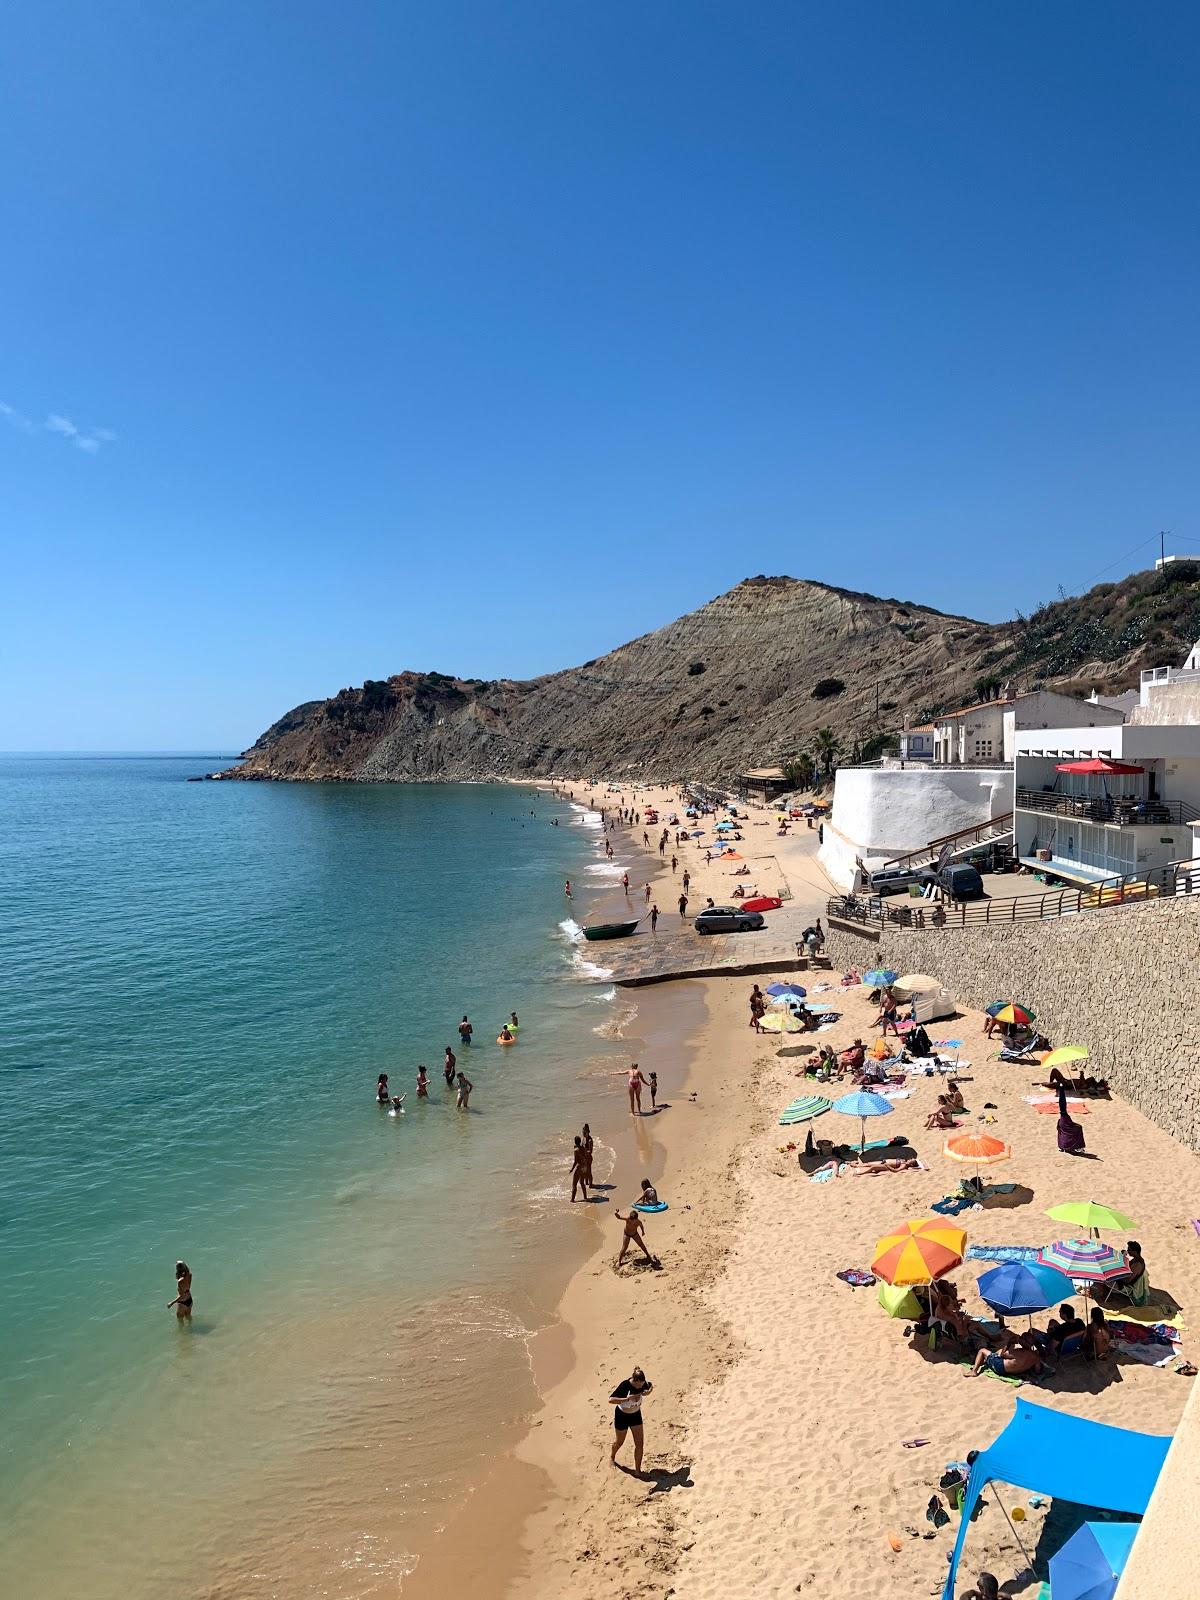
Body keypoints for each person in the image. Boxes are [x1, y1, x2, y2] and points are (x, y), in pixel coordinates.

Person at [608, 1367, 653, 1472]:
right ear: (635, 1380)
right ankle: (612, 1457)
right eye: (640, 1384)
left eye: (643, 1384)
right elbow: (611, 1400)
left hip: (636, 1415)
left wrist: (647, 1392)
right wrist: (627, 1399)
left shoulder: (642, 1383)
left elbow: (648, 1387)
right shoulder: (625, 1386)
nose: (642, 1386)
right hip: (622, 1416)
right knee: (619, 1442)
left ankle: (638, 1471)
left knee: (639, 1444)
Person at [967, 1332, 1041, 1379]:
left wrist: (1009, 1343)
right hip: (1016, 1371)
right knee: (999, 1351)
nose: (1019, 1339)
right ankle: (984, 1360)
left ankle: (974, 1371)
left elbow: (1002, 1355)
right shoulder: (1035, 1355)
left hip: (1000, 1368)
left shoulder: (1019, 1352)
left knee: (982, 1350)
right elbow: (1037, 1370)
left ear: (1025, 1342)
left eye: (1021, 1337)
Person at [1056, 1081, 1087, 1155]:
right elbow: (1062, 1101)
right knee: (1078, 1129)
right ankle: (1077, 1146)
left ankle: (1061, 1146)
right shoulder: (1064, 1116)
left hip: (1063, 1124)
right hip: (1066, 1125)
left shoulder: (1062, 1118)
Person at [570, 1135, 590, 1202]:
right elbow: (586, 1155)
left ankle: (572, 1199)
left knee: (574, 1184)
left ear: (575, 1142)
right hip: (584, 1167)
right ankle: (585, 1197)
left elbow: (575, 1161)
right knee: (582, 1182)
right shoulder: (584, 1148)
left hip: (579, 1167)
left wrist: (572, 1169)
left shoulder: (576, 1150)